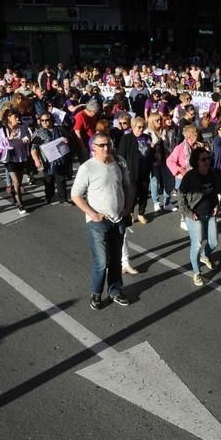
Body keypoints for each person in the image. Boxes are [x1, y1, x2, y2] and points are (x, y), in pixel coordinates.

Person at [70, 131, 133, 310]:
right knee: (102, 261)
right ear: (94, 148)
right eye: (102, 145)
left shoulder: (119, 161)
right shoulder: (87, 167)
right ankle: (96, 293)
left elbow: (127, 185)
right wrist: (93, 214)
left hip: (118, 218)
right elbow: (75, 195)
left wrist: (128, 207)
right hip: (98, 222)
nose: (107, 148)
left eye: (109, 144)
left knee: (116, 259)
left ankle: (115, 290)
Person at [178, 146, 221, 287]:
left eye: (208, 158)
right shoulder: (190, 177)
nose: (207, 161)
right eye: (203, 159)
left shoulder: (211, 174)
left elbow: (215, 192)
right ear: (196, 161)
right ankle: (196, 272)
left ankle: (205, 256)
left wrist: (216, 206)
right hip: (194, 216)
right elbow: (181, 197)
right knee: (196, 244)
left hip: (210, 214)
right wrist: (189, 213)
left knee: (213, 242)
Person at [116, 116, 153, 224]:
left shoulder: (146, 137)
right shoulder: (126, 138)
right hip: (131, 171)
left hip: (144, 170)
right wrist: (123, 171)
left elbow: (150, 152)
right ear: (133, 127)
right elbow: (121, 156)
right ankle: (130, 212)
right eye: (139, 127)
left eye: (143, 127)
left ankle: (141, 213)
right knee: (132, 194)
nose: (141, 129)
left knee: (144, 193)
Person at [0, 108, 32, 214]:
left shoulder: (22, 127)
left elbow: (28, 136)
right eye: (15, 117)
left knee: (19, 183)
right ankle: (20, 204)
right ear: (9, 118)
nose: (17, 118)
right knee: (15, 181)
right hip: (10, 158)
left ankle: (15, 196)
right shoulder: (3, 130)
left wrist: (26, 139)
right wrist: (9, 138)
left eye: (17, 116)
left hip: (21, 157)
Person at [30, 112, 68, 205]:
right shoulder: (38, 133)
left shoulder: (59, 129)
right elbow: (34, 148)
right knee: (49, 180)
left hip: (60, 158)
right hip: (47, 160)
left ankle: (63, 199)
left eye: (47, 120)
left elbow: (67, 138)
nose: (44, 122)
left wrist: (67, 140)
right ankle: (49, 196)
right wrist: (36, 160)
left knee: (61, 179)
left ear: (51, 120)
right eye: (42, 120)